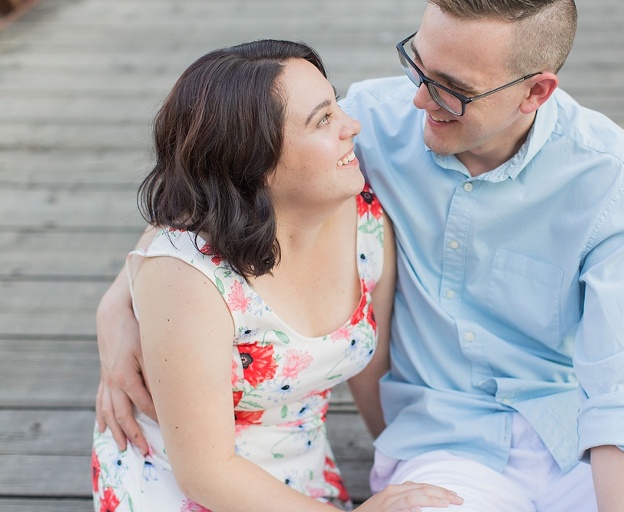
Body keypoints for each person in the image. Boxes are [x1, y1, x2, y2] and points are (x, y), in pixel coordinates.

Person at [96, 2, 624, 511]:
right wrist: (118, 310)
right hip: (447, 441)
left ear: (536, 92)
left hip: (579, 431)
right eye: (416, 66)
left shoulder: (612, 179)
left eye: (451, 90)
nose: (419, 100)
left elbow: (623, 386)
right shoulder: (372, 123)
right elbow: (213, 194)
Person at [90, 39, 464, 512]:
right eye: (323, 119)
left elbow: (373, 371)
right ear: (256, 160)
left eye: (337, 105)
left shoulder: (365, 219)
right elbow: (205, 473)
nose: (353, 126)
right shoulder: (187, 279)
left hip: (298, 474)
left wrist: (403, 465)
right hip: (181, 481)